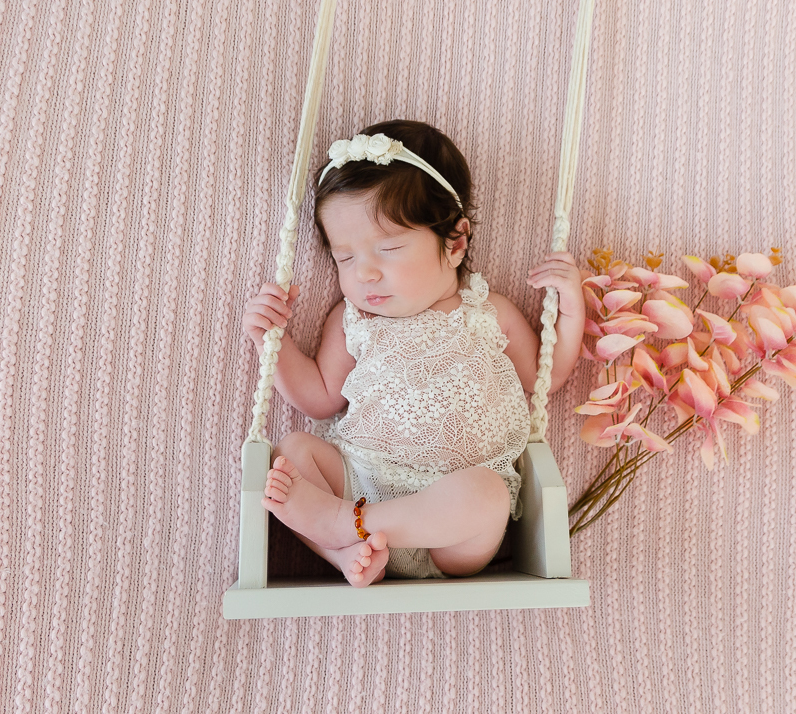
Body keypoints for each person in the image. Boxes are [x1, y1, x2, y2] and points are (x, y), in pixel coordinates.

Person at [243, 120, 584, 587]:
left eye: (389, 248)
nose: (364, 273)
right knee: (292, 452)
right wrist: (272, 341)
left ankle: (345, 527)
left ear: (455, 242)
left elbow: (548, 375)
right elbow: (319, 397)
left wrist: (571, 308)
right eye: (345, 258)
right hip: (362, 481)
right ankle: (347, 554)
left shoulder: (488, 313)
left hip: (452, 529)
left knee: (487, 495)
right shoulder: (353, 320)